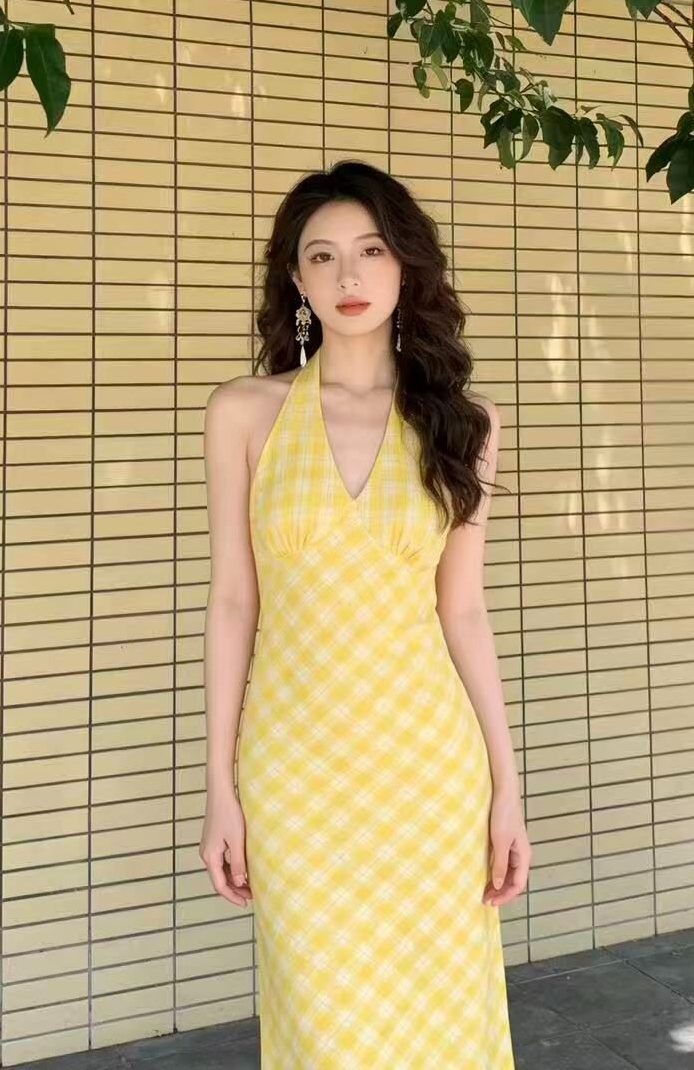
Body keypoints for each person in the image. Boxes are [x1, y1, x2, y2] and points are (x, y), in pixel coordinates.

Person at [198, 160, 529, 1067]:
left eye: (372, 251)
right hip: (294, 774)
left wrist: (507, 788)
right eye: (323, 256)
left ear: (406, 266)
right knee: (324, 1026)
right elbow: (233, 603)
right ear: (296, 279)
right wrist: (220, 786)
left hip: (430, 771)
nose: (349, 276)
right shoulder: (245, 413)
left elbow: (465, 613)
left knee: (441, 1021)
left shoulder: (465, 424)